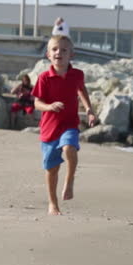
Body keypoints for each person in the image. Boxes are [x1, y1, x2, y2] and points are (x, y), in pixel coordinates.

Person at [32, 35, 97, 215]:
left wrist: (89, 109)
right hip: (49, 128)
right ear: (48, 54)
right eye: (54, 49)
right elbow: (37, 103)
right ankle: (53, 204)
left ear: (71, 55)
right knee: (52, 169)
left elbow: (81, 90)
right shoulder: (44, 78)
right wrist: (49, 107)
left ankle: (69, 181)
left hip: (69, 124)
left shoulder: (77, 75)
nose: (58, 52)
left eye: (63, 50)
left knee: (69, 148)